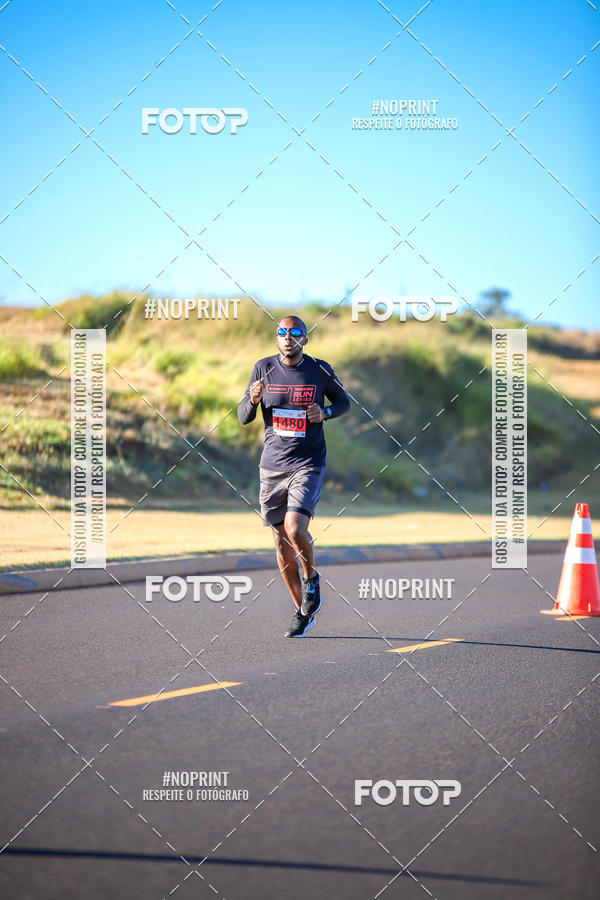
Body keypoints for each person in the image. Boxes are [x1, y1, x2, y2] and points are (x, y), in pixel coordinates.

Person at [238, 316, 350, 637]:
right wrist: (253, 399)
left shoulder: (320, 370)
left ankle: (311, 577)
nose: (288, 338)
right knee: (279, 540)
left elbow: (344, 402)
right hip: (272, 465)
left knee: (294, 527)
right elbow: (244, 416)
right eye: (282, 333)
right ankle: (302, 611)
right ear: (276, 339)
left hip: (308, 462)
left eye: (295, 333)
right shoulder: (263, 368)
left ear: (305, 340)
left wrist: (324, 412)